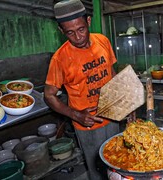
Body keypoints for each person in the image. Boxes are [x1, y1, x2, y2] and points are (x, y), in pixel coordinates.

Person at [44, 0, 120, 179]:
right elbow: (49, 95)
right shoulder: (60, 59)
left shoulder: (102, 41)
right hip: (88, 126)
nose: (78, 37)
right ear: (61, 31)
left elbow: (112, 72)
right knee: (99, 171)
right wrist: (77, 115)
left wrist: (124, 101)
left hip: (113, 115)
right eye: (70, 33)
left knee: (118, 164)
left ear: (88, 21)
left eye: (81, 29)